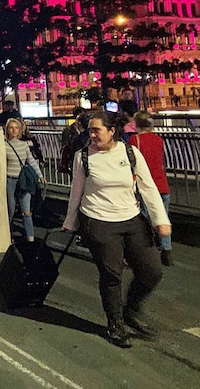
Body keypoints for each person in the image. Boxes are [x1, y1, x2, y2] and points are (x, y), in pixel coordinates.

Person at [62, 111, 171, 348]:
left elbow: (148, 188)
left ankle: (131, 309)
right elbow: (76, 191)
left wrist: (160, 220)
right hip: (98, 220)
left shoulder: (130, 153)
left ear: (112, 131)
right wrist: (71, 221)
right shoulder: (84, 157)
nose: (91, 135)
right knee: (112, 274)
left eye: (96, 130)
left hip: (131, 219)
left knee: (151, 271)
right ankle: (115, 324)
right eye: (90, 129)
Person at [128, 111, 172, 266]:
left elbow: (132, 163)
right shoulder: (159, 139)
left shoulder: (135, 140)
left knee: (145, 218)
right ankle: (167, 250)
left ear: (136, 124)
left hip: (145, 184)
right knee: (162, 217)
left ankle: (149, 249)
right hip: (162, 183)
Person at [4, 118, 43, 242]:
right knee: (10, 210)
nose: (14, 130)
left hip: (23, 181)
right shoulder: (3, 145)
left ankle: (30, 238)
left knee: (26, 210)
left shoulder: (23, 144)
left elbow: (31, 160)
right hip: (10, 180)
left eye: (16, 128)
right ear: (7, 130)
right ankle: (8, 236)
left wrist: (40, 175)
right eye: (11, 127)